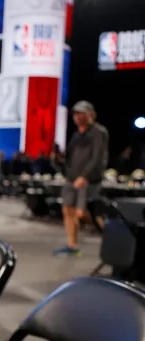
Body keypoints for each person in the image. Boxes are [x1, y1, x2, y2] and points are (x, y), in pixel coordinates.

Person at [54, 101, 108, 256]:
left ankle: (114, 237)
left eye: (81, 113)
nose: (77, 117)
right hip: (72, 178)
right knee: (67, 210)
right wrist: (59, 160)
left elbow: (98, 157)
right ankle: (72, 245)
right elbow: (71, 158)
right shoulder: (77, 135)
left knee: (83, 213)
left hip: (88, 180)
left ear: (91, 114)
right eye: (75, 114)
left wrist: (85, 176)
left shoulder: (98, 132)